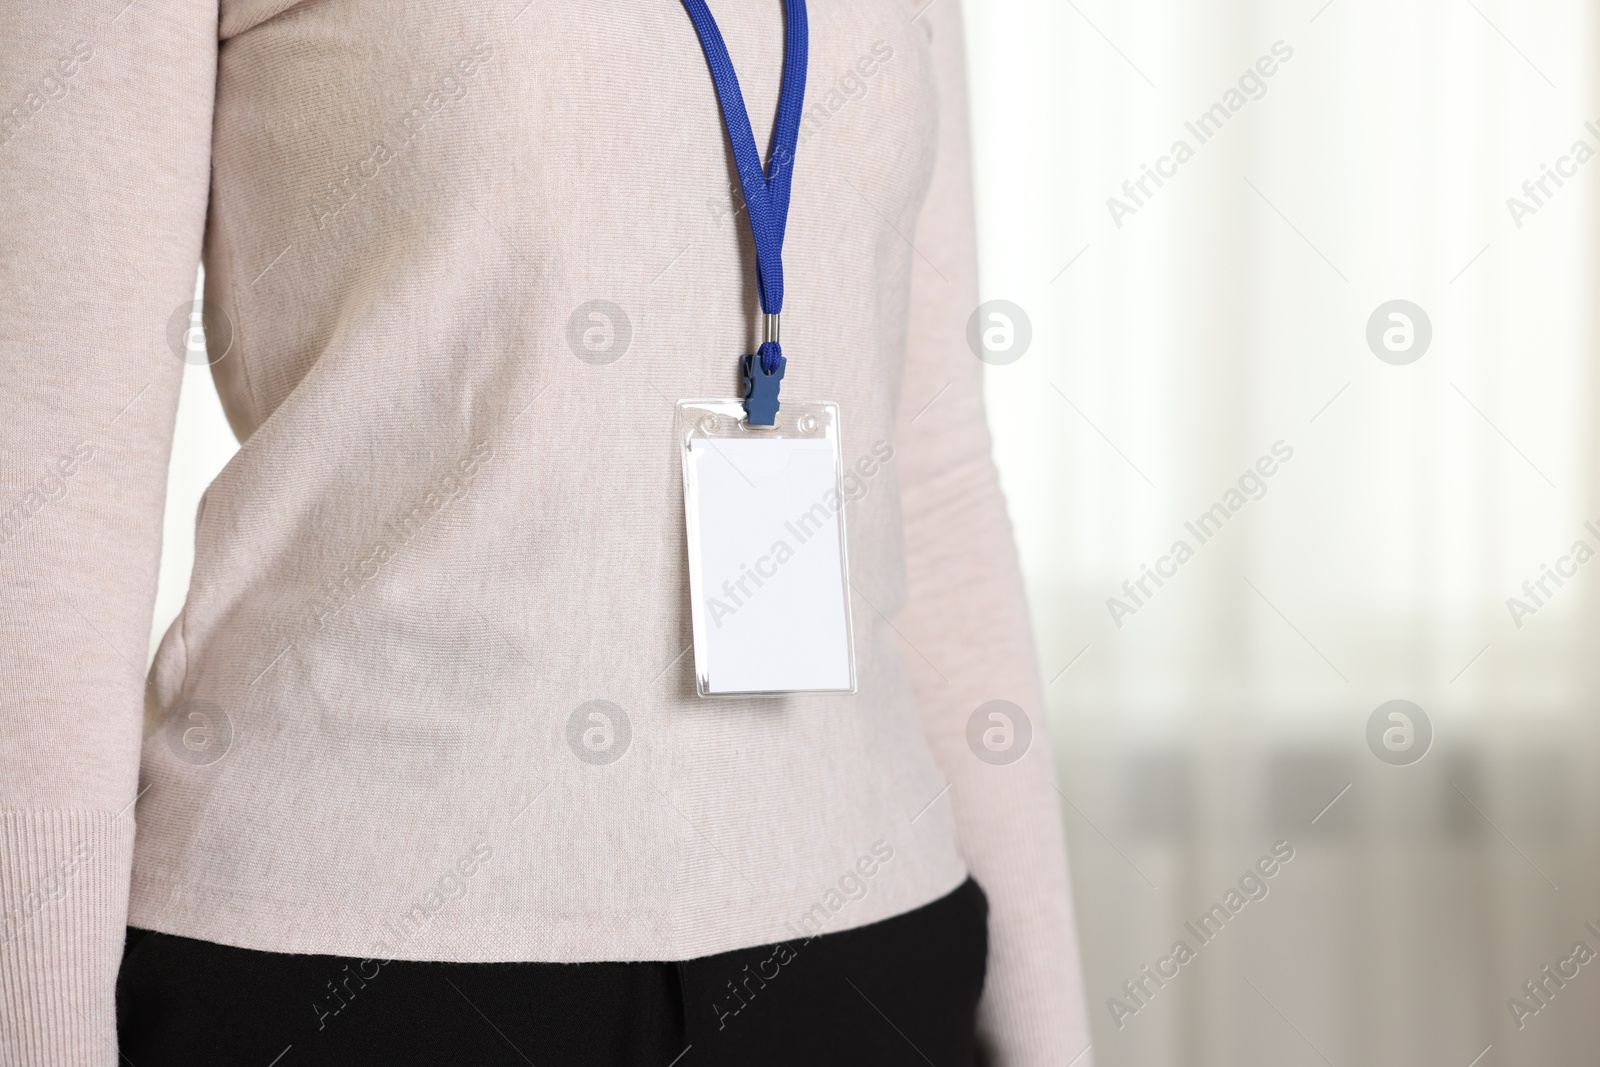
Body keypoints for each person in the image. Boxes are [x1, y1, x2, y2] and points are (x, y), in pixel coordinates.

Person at [0, 1, 1090, 1063]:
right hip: (356, 967)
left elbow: (934, 471)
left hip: (865, 945)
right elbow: (48, 508)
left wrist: (1055, 1039)